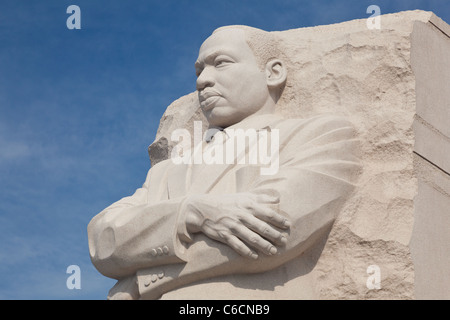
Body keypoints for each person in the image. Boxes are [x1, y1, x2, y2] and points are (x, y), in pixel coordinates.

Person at [87, 26, 360, 300]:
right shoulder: (165, 173)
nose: (202, 81)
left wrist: (140, 279)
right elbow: (104, 241)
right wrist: (189, 212)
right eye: (199, 71)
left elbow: (270, 235)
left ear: (273, 72)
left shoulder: (319, 136)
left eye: (221, 63)